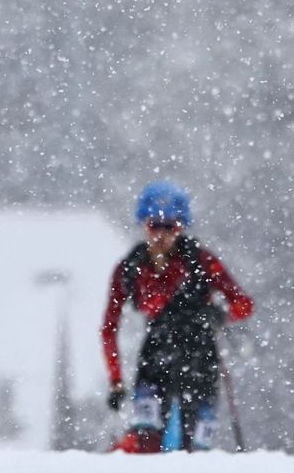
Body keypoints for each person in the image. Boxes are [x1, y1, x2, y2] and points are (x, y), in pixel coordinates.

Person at [102, 181, 255, 453]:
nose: (161, 236)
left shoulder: (201, 262)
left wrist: (220, 315)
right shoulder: (130, 269)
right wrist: (116, 381)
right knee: (145, 442)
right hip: (156, 357)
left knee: (195, 450)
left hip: (200, 359)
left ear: (181, 227)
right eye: (153, 226)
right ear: (143, 225)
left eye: (169, 227)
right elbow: (109, 327)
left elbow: (243, 304)